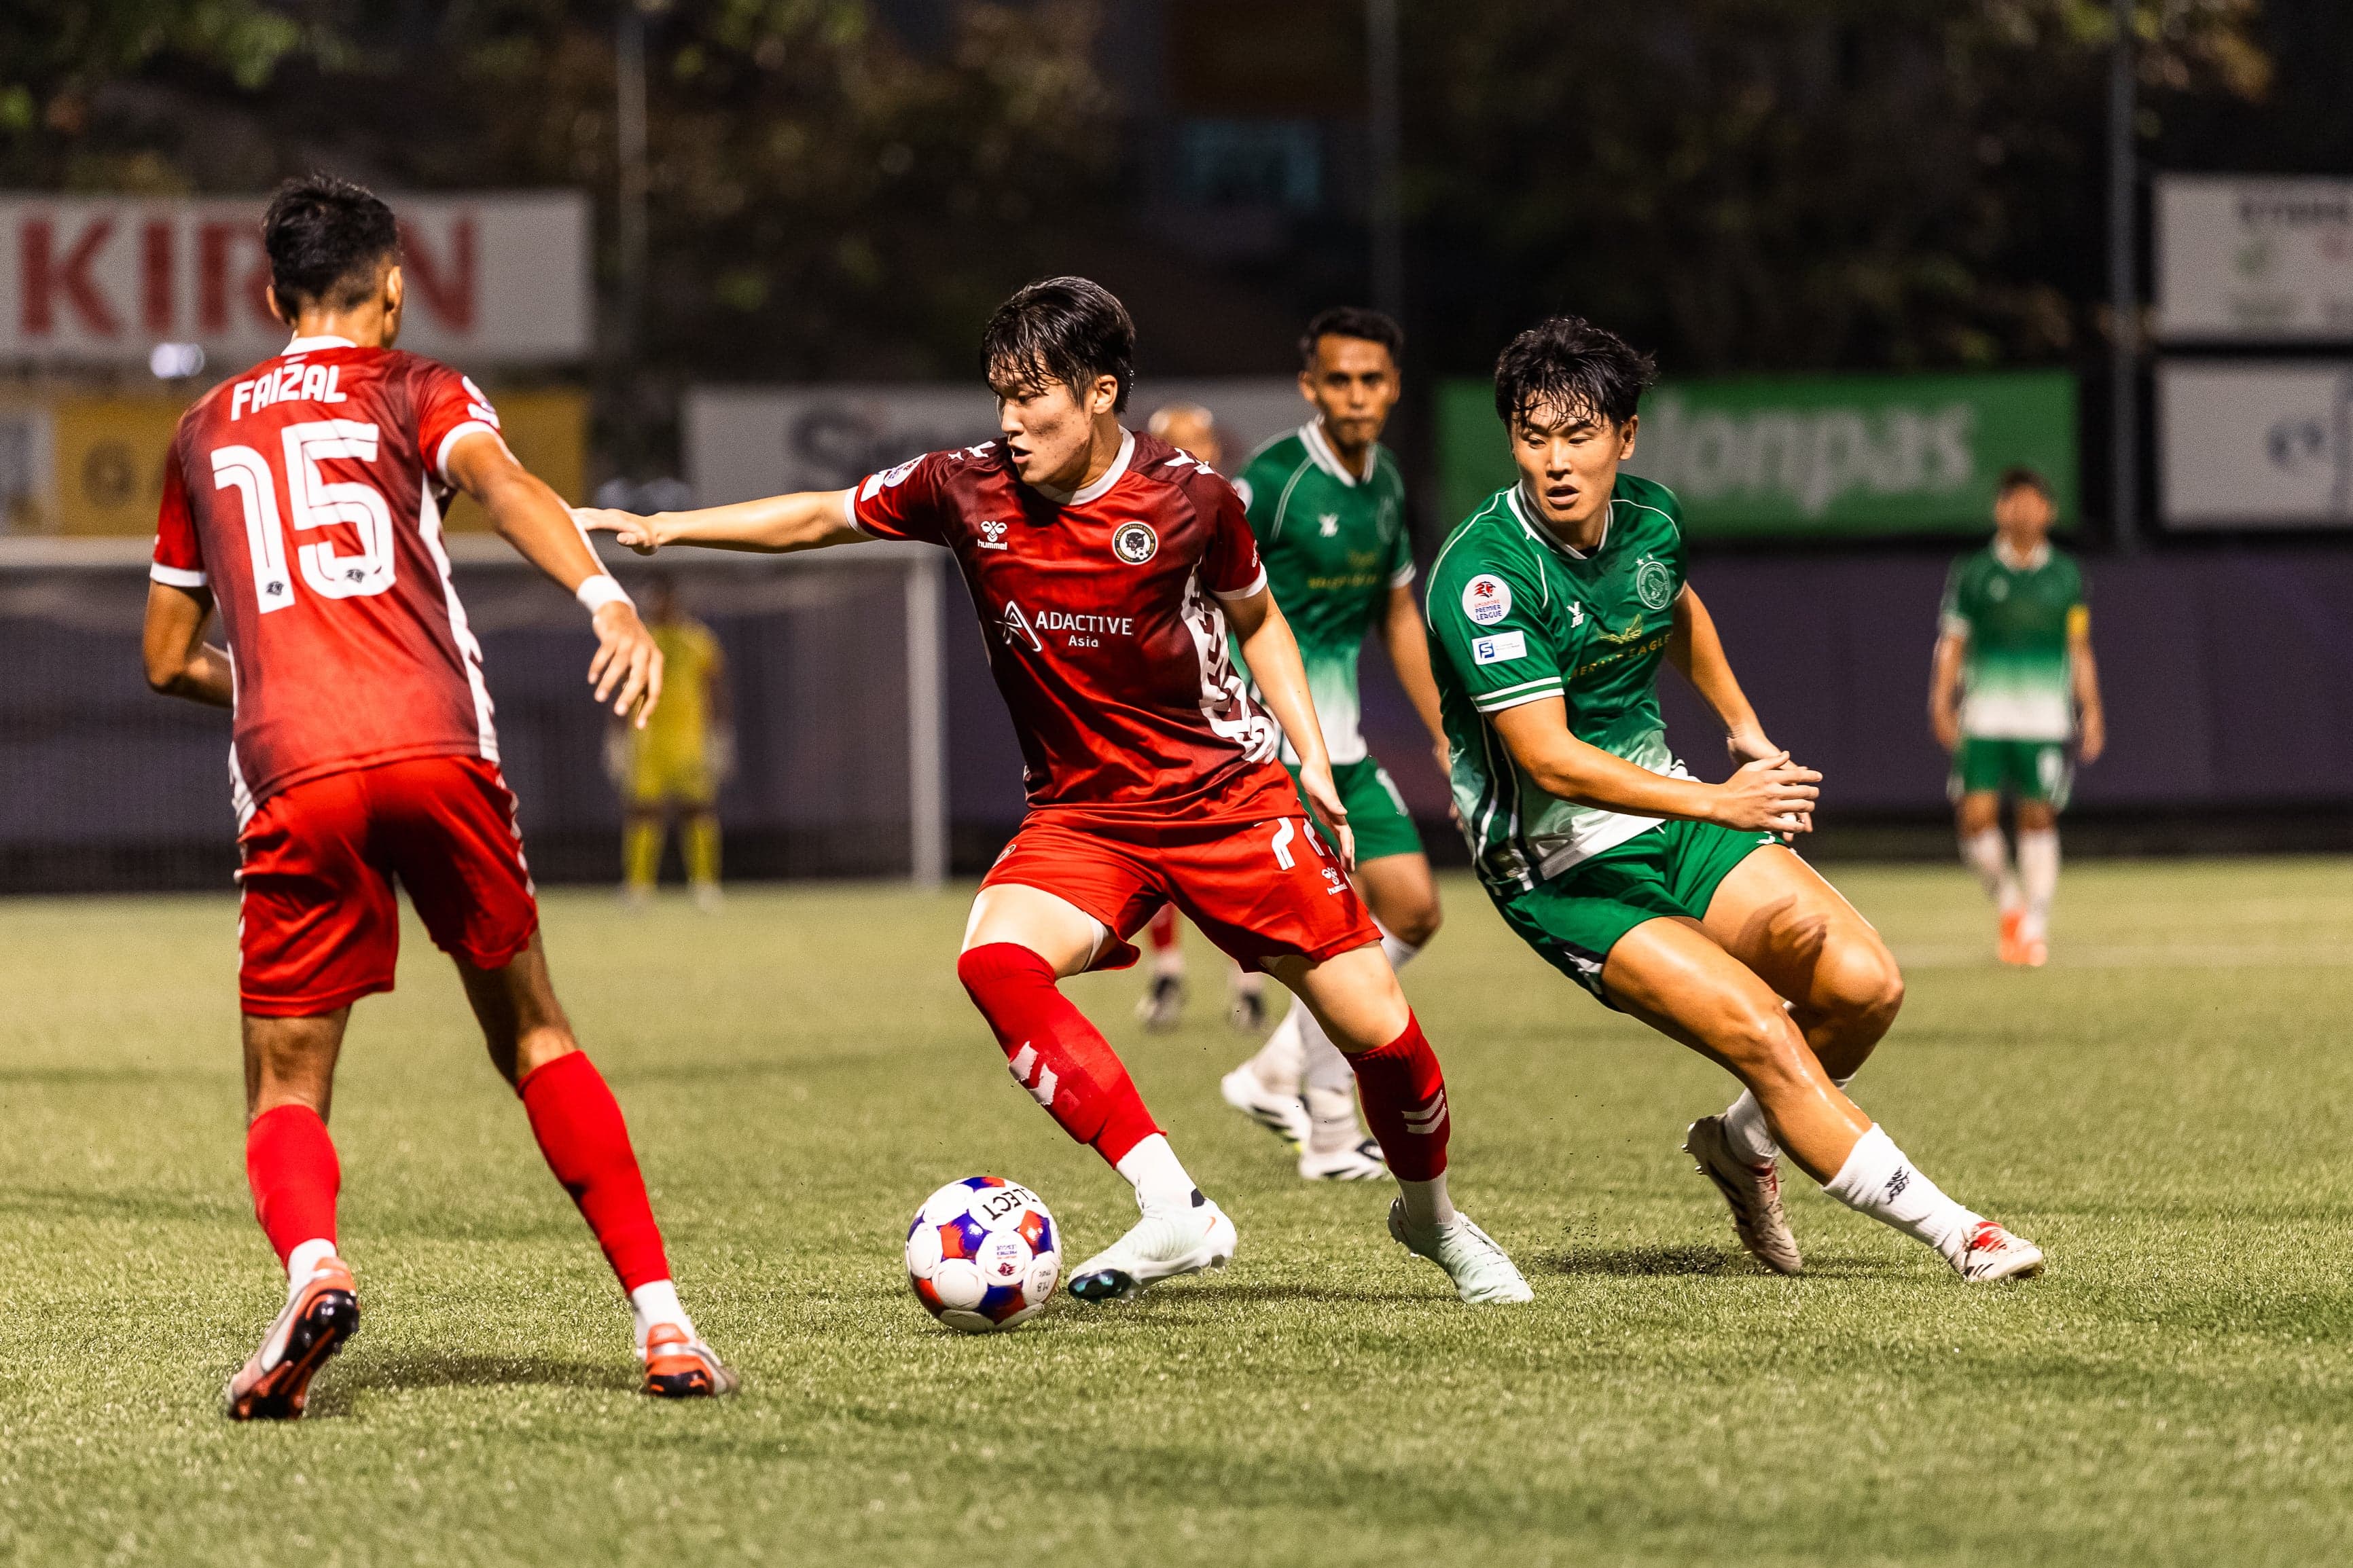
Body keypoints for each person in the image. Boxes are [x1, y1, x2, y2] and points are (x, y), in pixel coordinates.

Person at [577, 276, 1530, 1305]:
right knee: (995, 960)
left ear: (1101, 392)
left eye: (1031, 396)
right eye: (1000, 394)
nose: (1009, 420)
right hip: (1084, 815)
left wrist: (1312, 760)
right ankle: (1173, 1204)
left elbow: (1258, 620)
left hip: (1225, 797)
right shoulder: (963, 486)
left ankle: (1432, 1218)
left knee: (1382, 1035)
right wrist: (666, 528)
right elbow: (820, 515)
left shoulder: (1192, 499)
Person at [141, 175, 736, 1419]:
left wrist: (281, 680)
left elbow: (164, 657)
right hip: (433, 740)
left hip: (294, 764)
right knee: (534, 1032)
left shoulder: (202, 427)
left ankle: (315, 1267)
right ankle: (666, 1323)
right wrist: (605, 598)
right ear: (396, 285)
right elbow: (506, 483)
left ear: (274, 298)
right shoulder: (418, 386)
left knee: (287, 1083)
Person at [1420, 314, 2044, 1283]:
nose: (1556, 460)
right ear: (1511, 440)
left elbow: (1672, 605)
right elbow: (1550, 761)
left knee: (1864, 986)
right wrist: (1722, 799)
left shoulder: (1651, 518)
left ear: (1626, 436)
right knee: (1762, 1030)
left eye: (1579, 434)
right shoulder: (1483, 575)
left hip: (1670, 808)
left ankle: (1741, 1143)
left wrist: (1742, 725)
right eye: (1533, 436)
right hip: (1559, 864)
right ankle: (1965, 1235)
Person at [1217, 307, 1452, 1182]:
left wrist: (1442, 734)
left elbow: (1398, 612)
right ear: (1309, 386)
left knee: (1413, 909)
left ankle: (1272, 1070)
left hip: (1341, 743)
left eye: (1371, 379)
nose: (1356, 394)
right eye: (1339, 379)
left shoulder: (1384, 481)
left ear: (1393, 387)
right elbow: (1196, 582)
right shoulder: (1272, 481)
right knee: (1340, 934)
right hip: (1271, 746)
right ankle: (1326, 1129)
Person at [1929, 469, 2104, 967]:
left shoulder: (2066, 575)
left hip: (2045, 718)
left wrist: (2092, 709)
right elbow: (1952, 642)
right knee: (1975, 817)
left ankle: (2035, 925)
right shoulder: (1975, 572)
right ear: (1999, 509)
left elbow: (2079, 648)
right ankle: (2010, 904)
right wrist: (1941, 701)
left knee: (2038, 816)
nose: (2024, 511)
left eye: (2033, 502)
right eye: (2014, 502)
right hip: (1985, 715)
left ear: (2049, 511)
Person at [1130, 401, 1267, 1037]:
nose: (1191, 452)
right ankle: (1167, 972)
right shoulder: (1130, 516)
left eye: (1201, 440)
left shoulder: (1234, 507)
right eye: (1176, 442)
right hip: (1160, 708)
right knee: (1157, 844)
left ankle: (1250, 982)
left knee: (1241, 845)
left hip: (1236, 704)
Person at [613, 573, 732, 913]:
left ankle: (706, 885)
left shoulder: (698, 640)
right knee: (643, 812)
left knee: (698, 810)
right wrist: (616, 737)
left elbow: (716, 688)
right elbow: (622, 685)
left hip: (690, 740)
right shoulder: (636, 640)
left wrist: (721, 735)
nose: (658, 605)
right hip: (647, 740)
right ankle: (638, 887)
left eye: (663, 598)